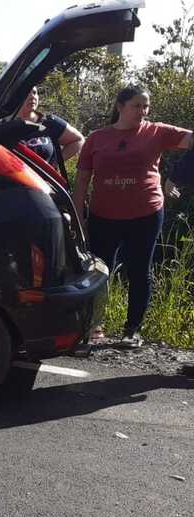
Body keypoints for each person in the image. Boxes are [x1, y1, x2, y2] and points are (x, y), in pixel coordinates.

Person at [74, 85, 193, 348]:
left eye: (146, 106)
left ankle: (132, 330)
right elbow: (82, 179)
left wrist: (179, 176)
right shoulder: (97, 138)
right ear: (120, 106)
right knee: (98, 271)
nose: (142, 111)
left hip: (145, 214)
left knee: (139, 270)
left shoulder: (157, 131)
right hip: (103, 215)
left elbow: (191, 140)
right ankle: (93, 326)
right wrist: (78, 213)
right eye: (136, 105)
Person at [17, 87, 85, 164]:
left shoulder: (50, 122)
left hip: (40, 175)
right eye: (27, 93)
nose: (32, 96)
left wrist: (55, 162)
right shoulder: (4, 124)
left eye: (34, 93)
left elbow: (78, 140)